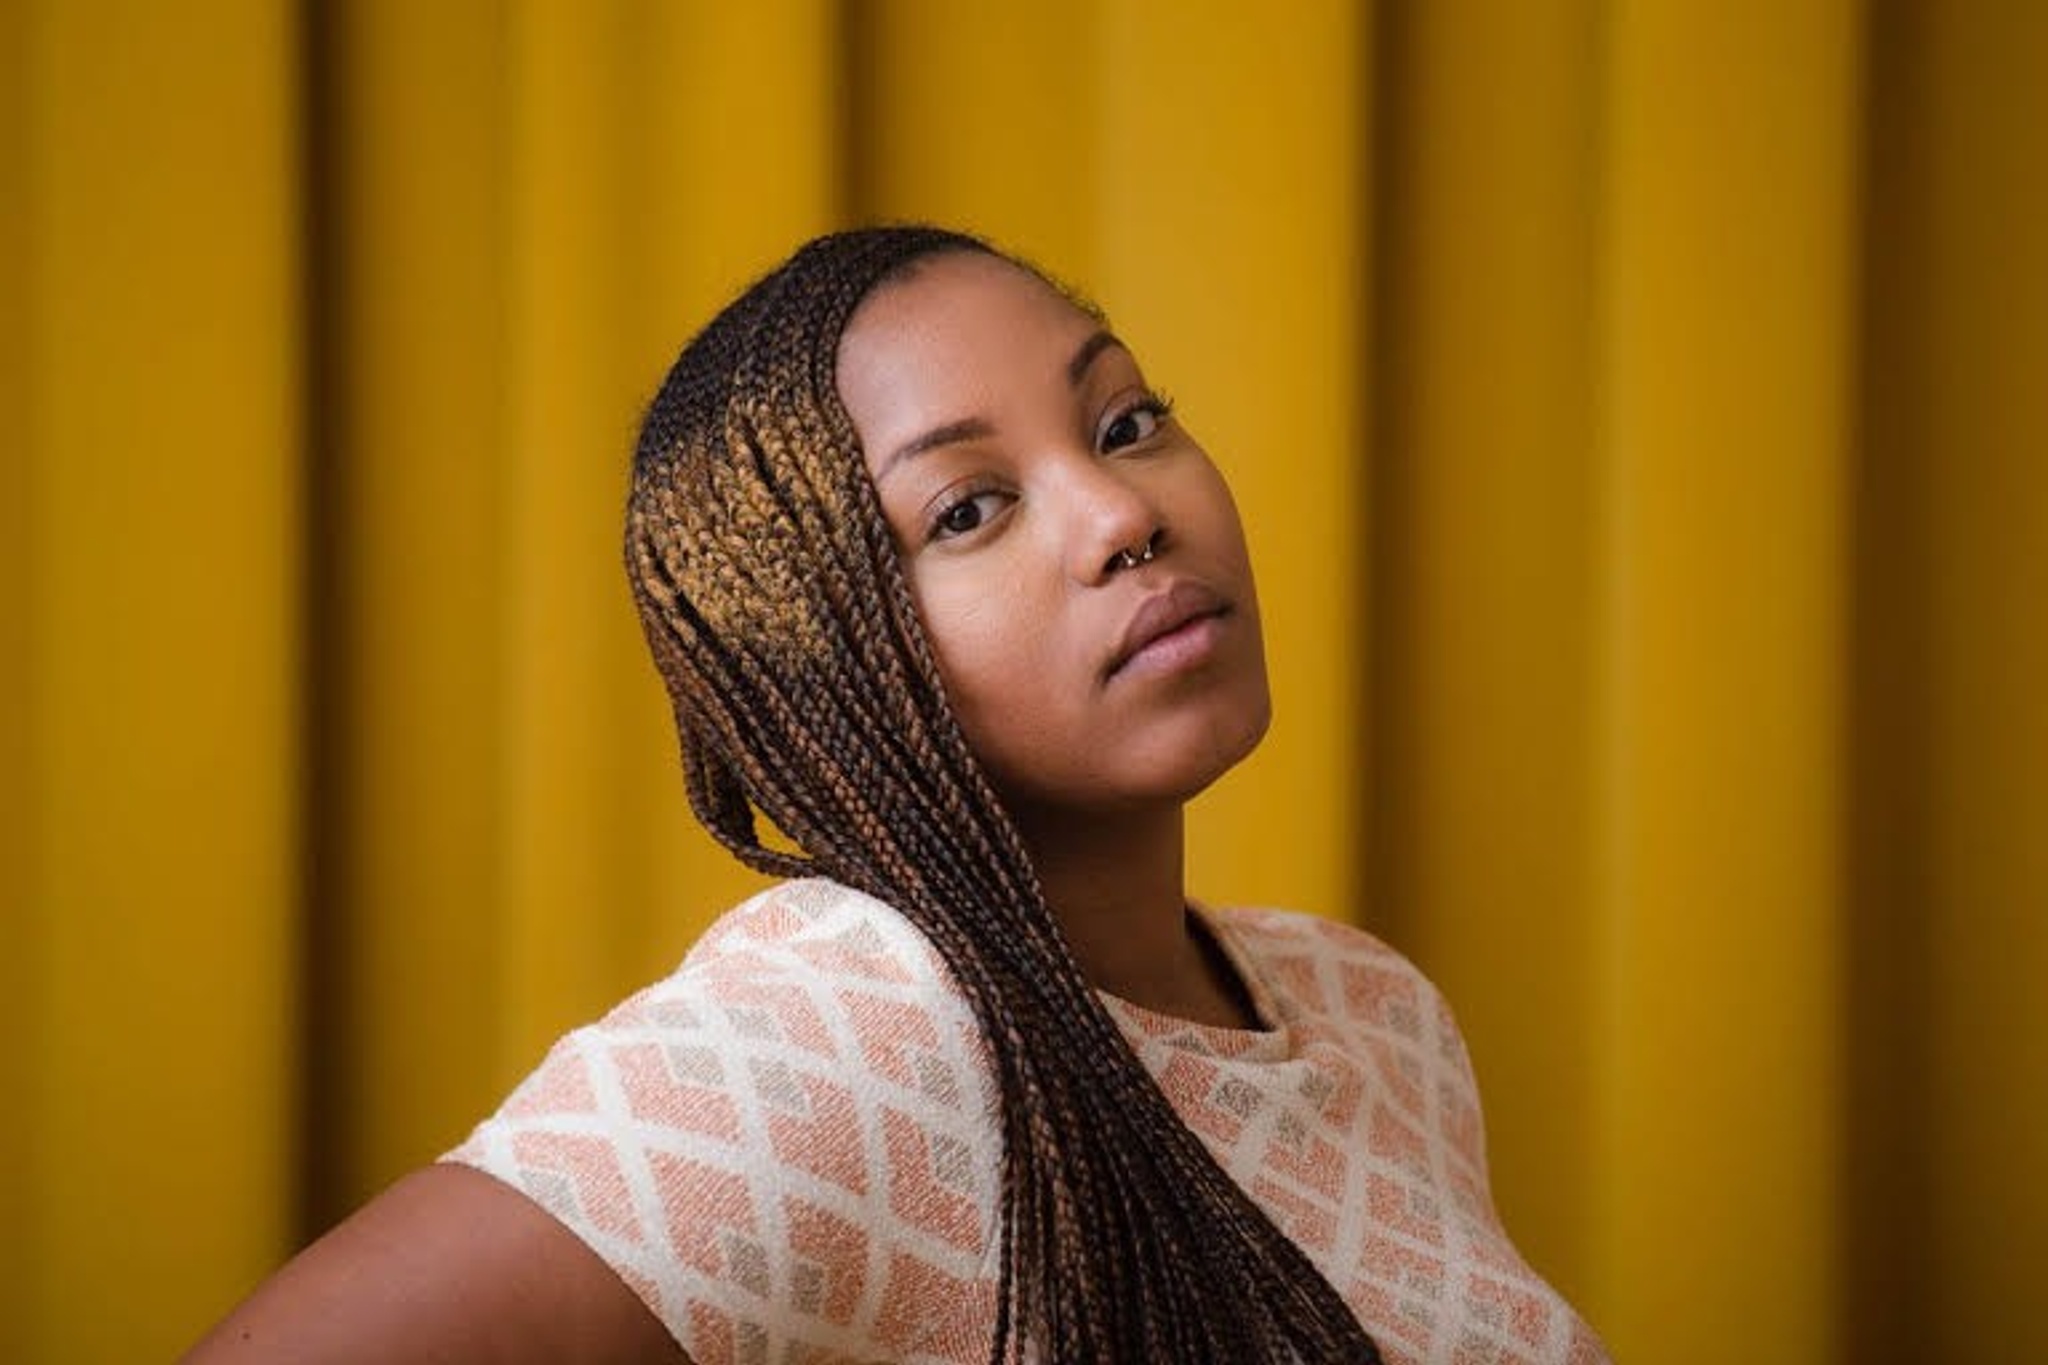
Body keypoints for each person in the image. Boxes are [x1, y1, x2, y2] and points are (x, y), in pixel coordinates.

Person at [183, 226, 1610, 1364]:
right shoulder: (861, 1027)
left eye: (1123, 422)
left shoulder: (1372, 1011)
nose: (1125, 516)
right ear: (832, 654)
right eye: (968, 509)